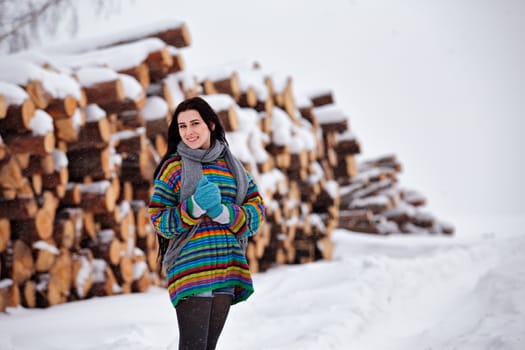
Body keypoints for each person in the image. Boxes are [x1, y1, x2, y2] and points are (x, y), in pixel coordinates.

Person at [148, 96, 265, 350]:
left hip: (226, 266)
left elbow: (256, 212)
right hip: (191, 267)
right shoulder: (173, 168)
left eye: (195, 124)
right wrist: (194, 207)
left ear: (211, 125)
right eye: (182, 126)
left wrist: (225, 214)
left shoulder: (233, 168)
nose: (188, 132)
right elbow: (159, 219)